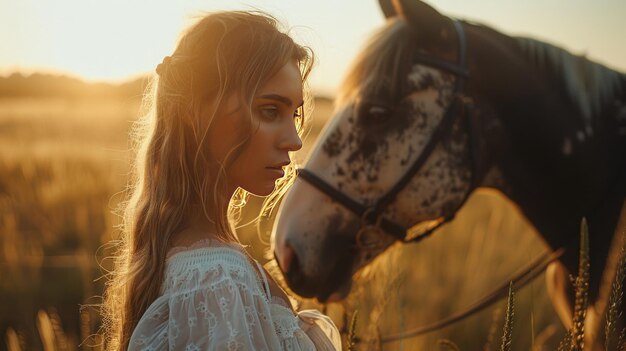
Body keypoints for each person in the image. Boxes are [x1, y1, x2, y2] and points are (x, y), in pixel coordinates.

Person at [100, 11, 341, 351]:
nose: (294, 140)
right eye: (270, 111)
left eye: (295, 114)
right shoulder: (215, 279)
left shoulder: (200, 260)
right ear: (197, 110)